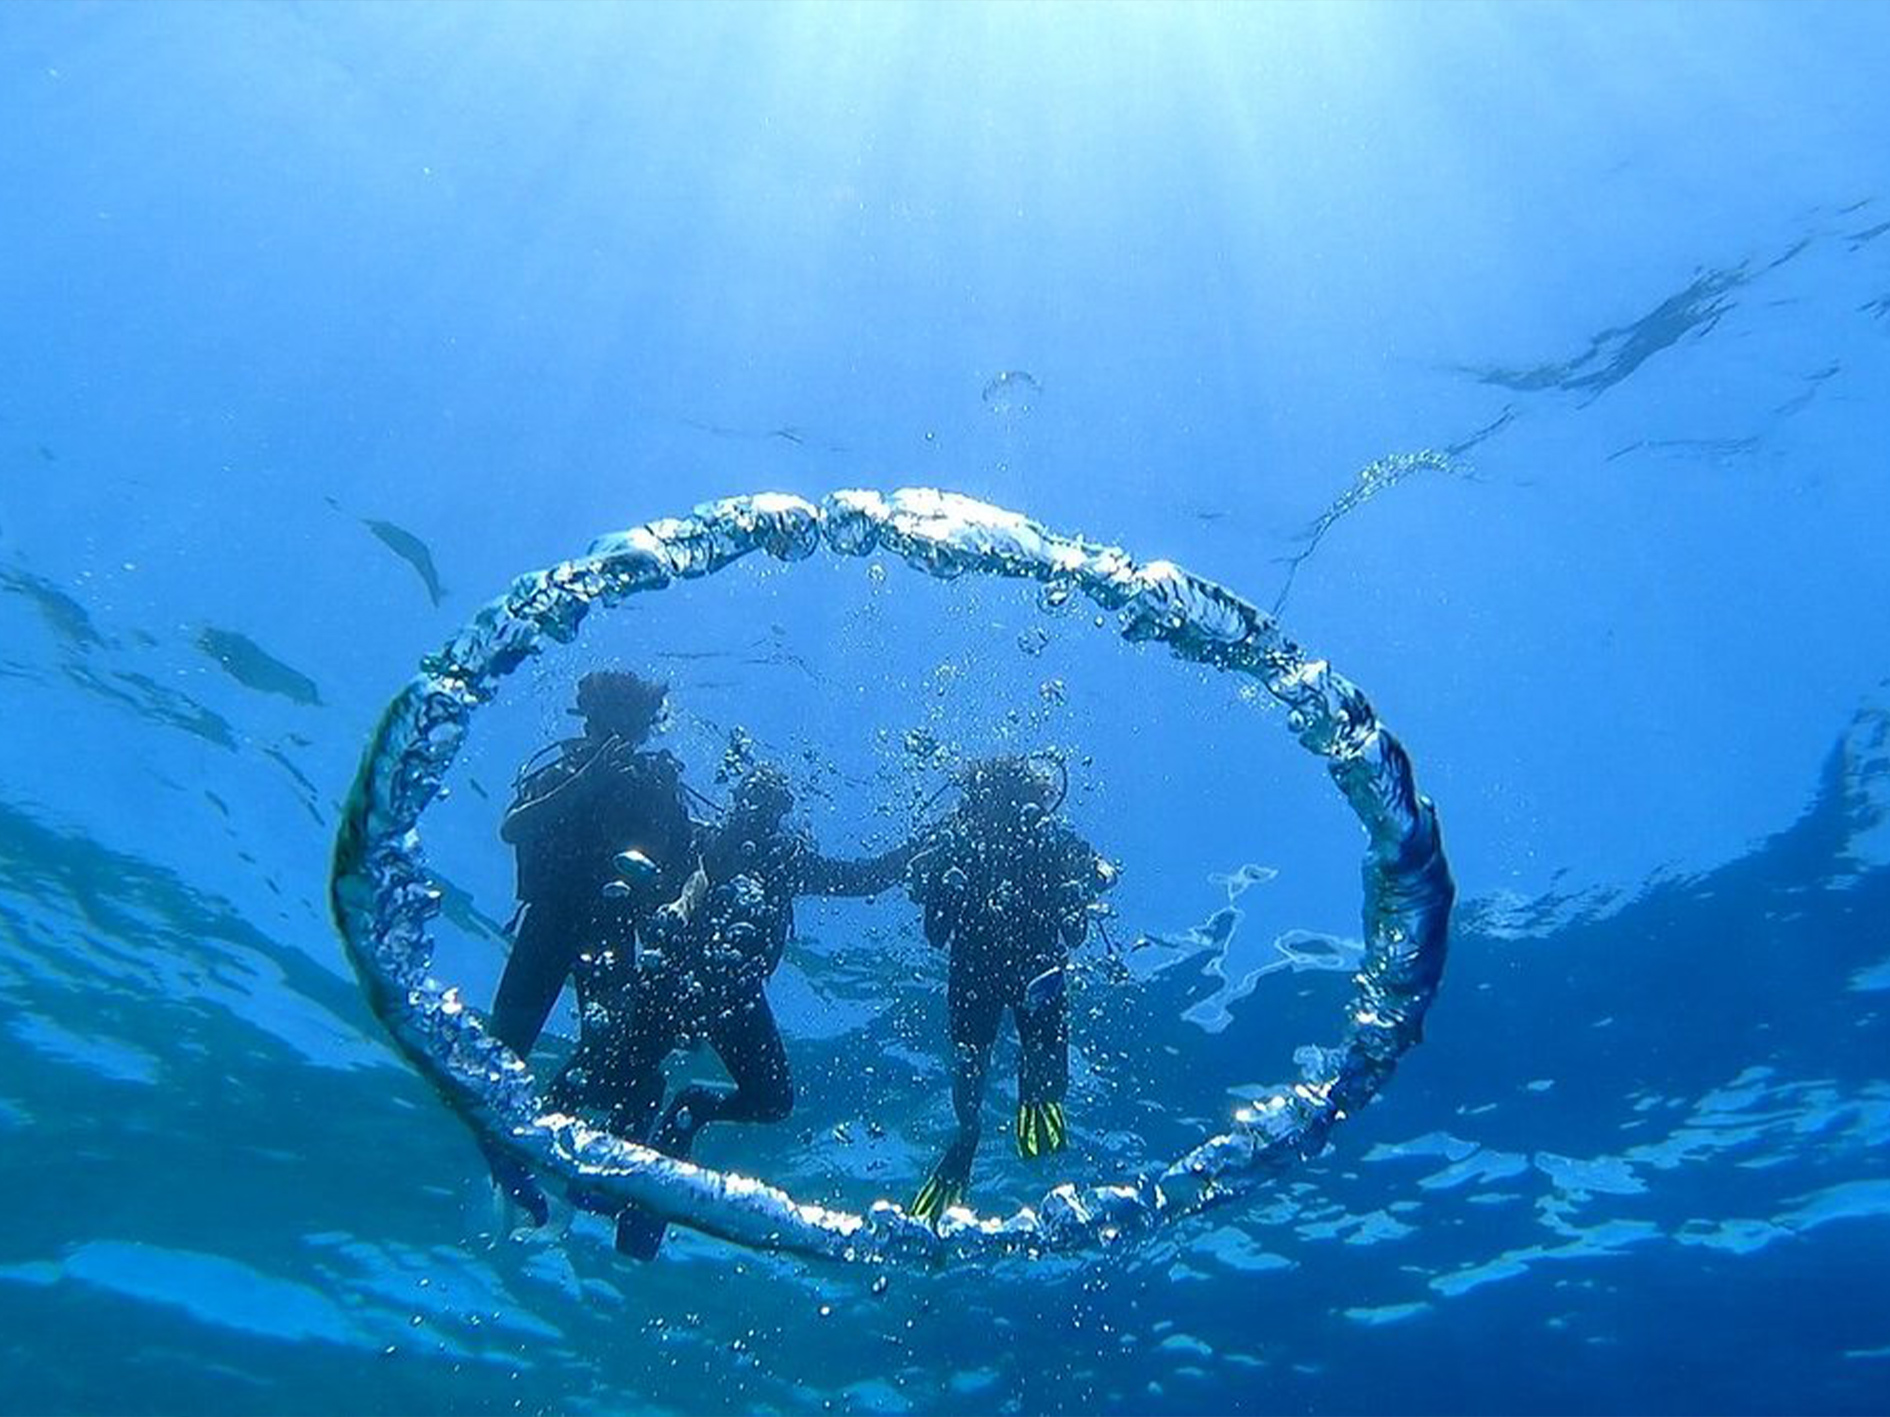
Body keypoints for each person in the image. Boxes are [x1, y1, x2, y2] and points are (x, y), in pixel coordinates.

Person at [551, 760, 915, 1258]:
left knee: (772, 1100)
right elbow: (640, 862)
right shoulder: (700, 841)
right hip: (671, 980)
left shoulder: (786, 858)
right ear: (738, 802)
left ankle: (689, 1111)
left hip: (733, 993)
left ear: (781, 813)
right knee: (616, 1078)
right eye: (753, 801)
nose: (759, 814)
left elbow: (862, 879)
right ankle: (602, 1172)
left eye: (771, 805)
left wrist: (918, 850)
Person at [483, 669, 694, 1223]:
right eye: (605, 725)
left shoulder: (653, 785)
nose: (614, 738)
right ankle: (506, 1165)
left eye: (629, 728)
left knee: (613, 1056)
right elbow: (513, 829)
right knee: (503, 1054)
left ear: (643, 730)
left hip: (612, 926)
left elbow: (685, 863)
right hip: (549, 921)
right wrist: (585, 782)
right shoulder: (561, 772)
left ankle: (576, 1162)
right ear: (589, 723)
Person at [904, 754, 1118, 1224]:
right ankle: (990, 1131)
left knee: (976, 1063)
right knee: (1019, 1065)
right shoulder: (973, 840)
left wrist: (1082, 886)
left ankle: (970, 1136)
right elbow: (1077, 929)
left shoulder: (1033, 838)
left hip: (992, 972)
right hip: (1018, 968)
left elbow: (936, 933)